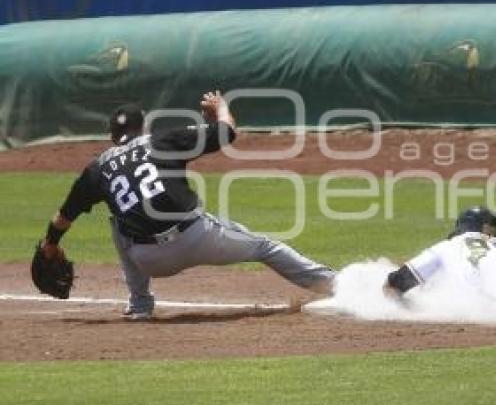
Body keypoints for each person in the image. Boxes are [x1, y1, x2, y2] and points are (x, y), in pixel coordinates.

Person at [38, 91, 335, 319]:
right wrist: (220, 108)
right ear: (142, 128)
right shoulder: (160, 140)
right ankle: (334, 285)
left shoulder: (96, 168)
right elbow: (226, 133)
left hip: (149, 259)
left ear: (111, 137)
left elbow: (63, 218)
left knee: (117, 219)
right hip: (198, 237)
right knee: (264, 248)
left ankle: (140, 304)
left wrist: (50, 245)